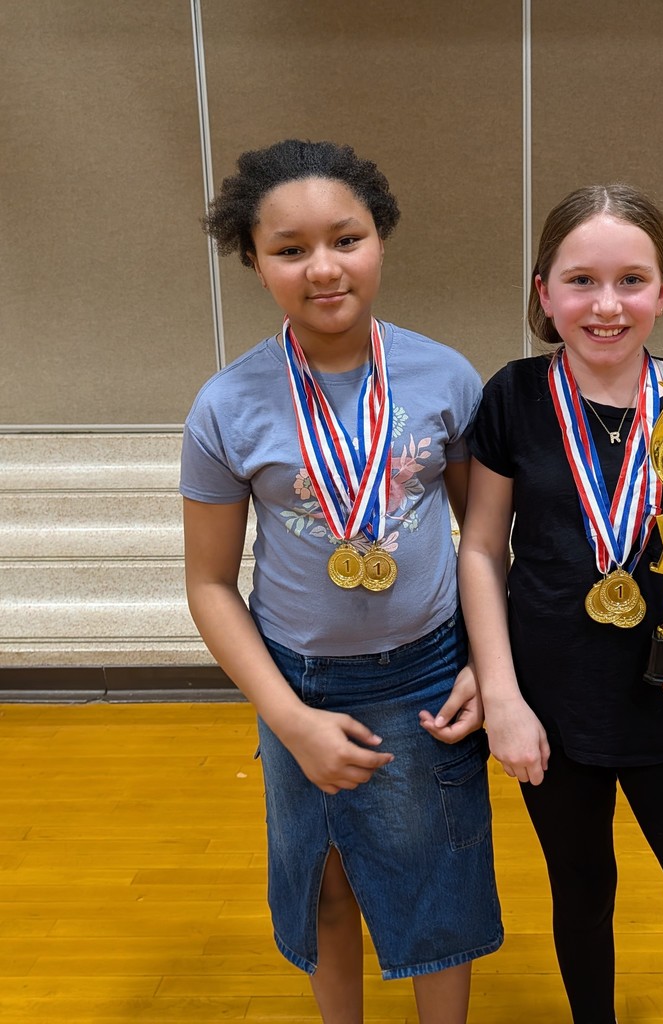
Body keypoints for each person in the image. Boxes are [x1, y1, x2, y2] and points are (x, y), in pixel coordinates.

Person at [180, 139, 502, 1024]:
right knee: (322, 887)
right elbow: (209, 583)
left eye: (346, 239)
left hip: (433, 670)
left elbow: (483, 537)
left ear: (381, 241)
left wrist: (488, 661)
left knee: (444, 889)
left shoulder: (444, 376)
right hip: (301, 682)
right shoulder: (227, 405)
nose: (323, 268)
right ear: (253, 260)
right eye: (289, 249)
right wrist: (288, 718)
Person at [458, 184, 663, 1023]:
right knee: (583, 900)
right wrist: (503, 700)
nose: (606, 305)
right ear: (544, 291)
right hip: (551, 713)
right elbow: (483, 548)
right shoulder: (514, 397)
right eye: (580, 281)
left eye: (632, 280)